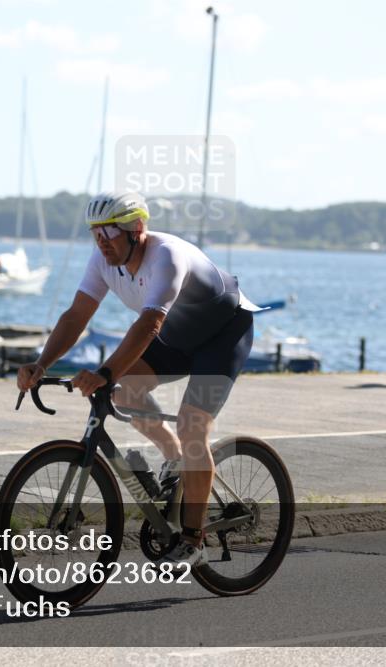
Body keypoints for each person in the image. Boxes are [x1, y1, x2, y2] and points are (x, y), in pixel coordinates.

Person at [16, 191, 257, 569]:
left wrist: (104, 372)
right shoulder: (103, 261)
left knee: (194, 427)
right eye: (95, 234)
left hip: (222, 335)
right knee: (127, 391)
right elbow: (77, 315)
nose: (101, 242)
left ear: (136, 229)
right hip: (178, 339)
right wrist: (42, 363)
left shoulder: (167, 256)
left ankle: (194, 540)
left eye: (108, 233)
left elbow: (149, 325)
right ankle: (173, 458)